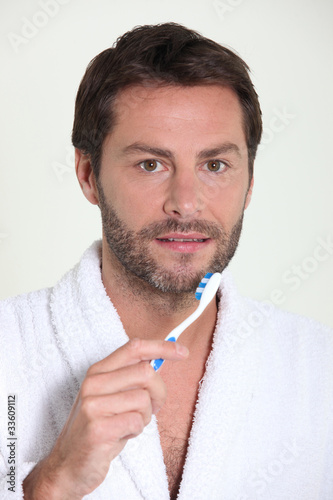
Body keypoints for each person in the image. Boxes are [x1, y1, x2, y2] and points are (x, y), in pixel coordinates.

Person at [1, 23, 332, 500]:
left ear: (250, 183)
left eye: (215, 165)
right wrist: (51, 481)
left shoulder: (318, 368)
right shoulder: (7, 353)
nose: (186, 203)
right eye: (150, 164)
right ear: (89, 175)